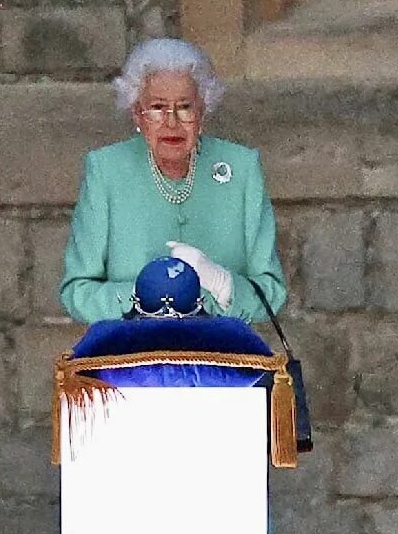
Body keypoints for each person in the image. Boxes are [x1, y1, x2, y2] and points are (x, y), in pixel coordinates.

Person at [60, 38, 286, 326]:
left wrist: (222, 284)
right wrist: (152, 297)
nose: (171, 123)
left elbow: (272, 292)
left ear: (203, 111)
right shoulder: (106, 171)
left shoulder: (241, 168)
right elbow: (77, 292)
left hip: (221, 360)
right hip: (132, 361)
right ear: (137, 114)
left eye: (184, 107)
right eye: (156, 107)